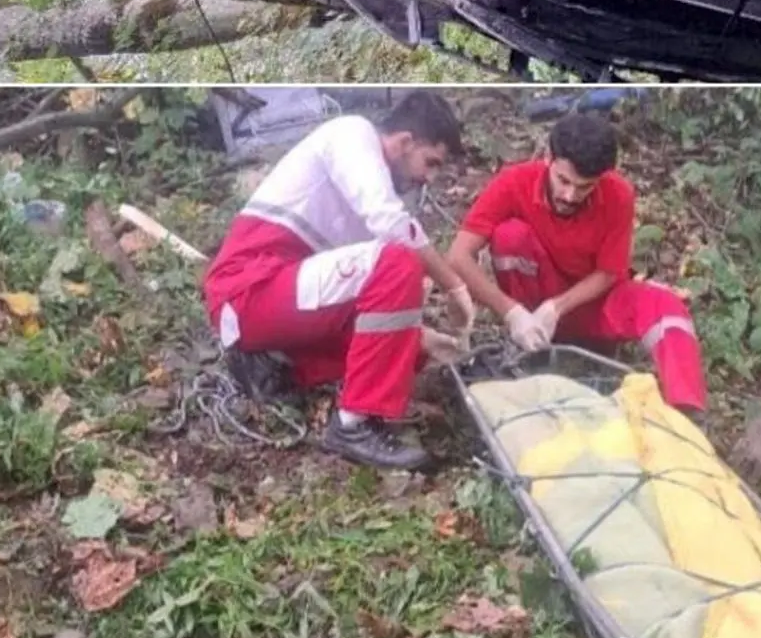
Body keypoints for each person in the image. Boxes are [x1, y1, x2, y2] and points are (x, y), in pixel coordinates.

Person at [202, 91, 474, 470]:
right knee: (398, 262)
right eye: (430, 163)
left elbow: (363, 298)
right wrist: (453, 284)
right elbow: (392, 231)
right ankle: (353, 424)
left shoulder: (377, 188)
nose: (427, 177)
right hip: (249, 287)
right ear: (405, 142)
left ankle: (277, 364)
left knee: (407, 349)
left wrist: (418, 336)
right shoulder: (352, 134)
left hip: (283, 297)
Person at [448, 112, 707, 416]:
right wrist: (512, 313)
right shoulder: (513, 182)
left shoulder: (618, 194)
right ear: (548, 158)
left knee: (666, 307)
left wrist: (557, 307)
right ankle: (532, 351)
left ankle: (687, 413)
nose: (570, 195)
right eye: (563, 180)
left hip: (592, 302)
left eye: (585, 187)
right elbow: (458, 255)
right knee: (510, 237)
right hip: (533, 305)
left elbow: (610, 272)